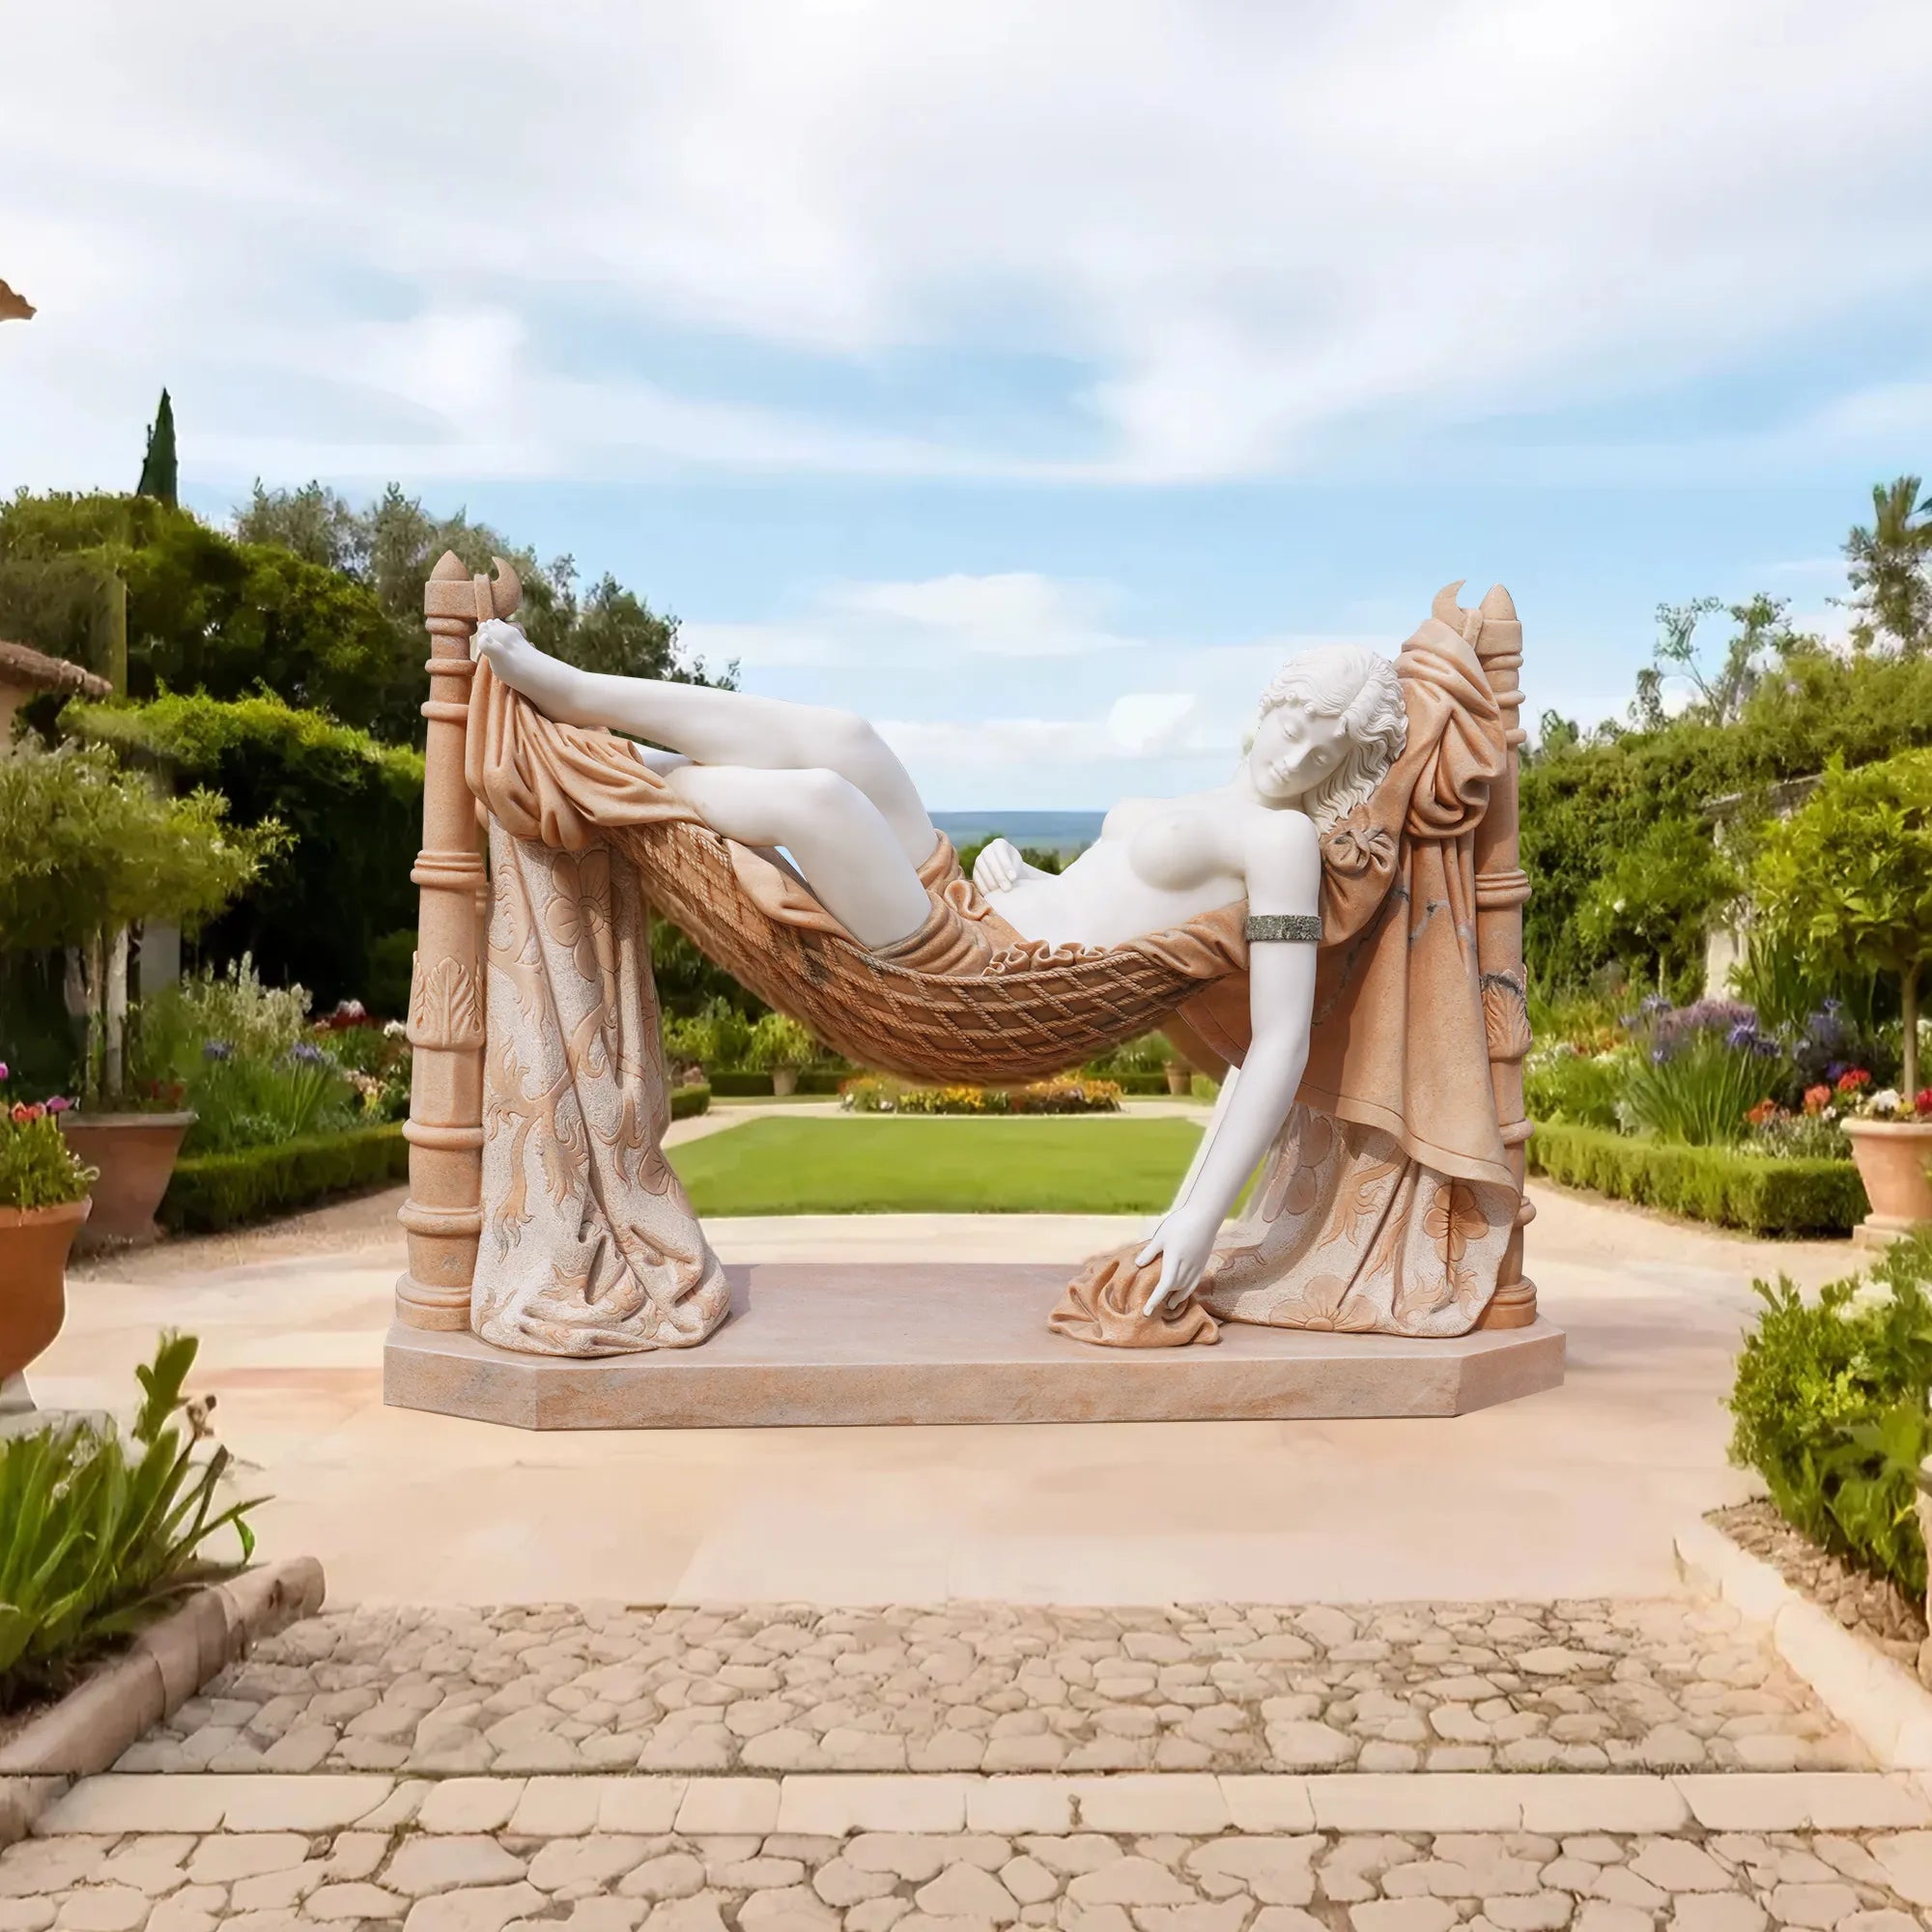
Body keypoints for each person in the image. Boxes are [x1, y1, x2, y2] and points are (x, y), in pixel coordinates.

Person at [474, 618, 1406, 1316]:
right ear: (1274, 705)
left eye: (1330, 751)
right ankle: (580, 698)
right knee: (849, 739)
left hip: (986, 982)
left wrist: (1199, 1219)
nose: (1301, 754)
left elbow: (1278, 1041)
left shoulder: (1282, 839)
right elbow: (1117, 895)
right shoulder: (1210, 795)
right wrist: (1032, 873)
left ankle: (595, 773)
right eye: (1298, 722)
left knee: (823, 805)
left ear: (1346, 767)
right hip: (977, 906)